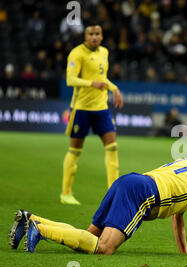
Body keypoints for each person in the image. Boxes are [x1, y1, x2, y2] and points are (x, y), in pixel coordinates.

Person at [8, 148, 187, 259]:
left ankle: (32, 220)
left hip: (129, 180)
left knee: (90, 235)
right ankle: (41, 231)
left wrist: (184, 251)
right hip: (143, 194)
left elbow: (178, 213)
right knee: (104, 248)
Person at [61, 24, 124, 205]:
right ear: (85, 36)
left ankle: (113, 191)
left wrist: (114, 88)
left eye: (97, 34)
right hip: (81, 108)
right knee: (75, 149)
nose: (94, 37)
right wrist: (91, 83)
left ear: (102, 36)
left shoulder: (104, 52)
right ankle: (66, 193)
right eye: (91, 34)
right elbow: (70, 79)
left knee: (112, 146)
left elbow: (102, 79)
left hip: (101, 109)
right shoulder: (77, 53)